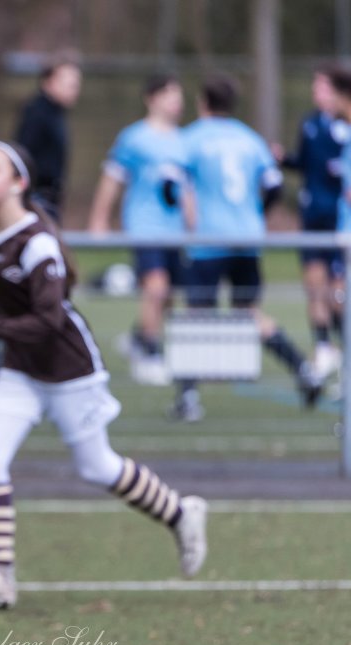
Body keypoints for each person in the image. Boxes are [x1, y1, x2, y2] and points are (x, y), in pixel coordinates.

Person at [0, 141, 207, 609]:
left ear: (18, 183)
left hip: (69, 369)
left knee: (97, 466)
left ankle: (182, 513)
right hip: (22, 368)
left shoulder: (39, 242)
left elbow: (48, 322)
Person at [176, 76, 322, 422]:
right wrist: (256, 216)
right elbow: (274, 185)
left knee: (197, 316)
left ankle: (188, 398)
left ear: (203, 102)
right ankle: (303, 368)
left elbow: (172, 184)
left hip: (208, 241)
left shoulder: (190, 137)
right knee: (248, 313)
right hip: (247, 238)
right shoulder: (249, 138)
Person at [87, 74, 189, 386]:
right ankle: (150, 354)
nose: (176, 101)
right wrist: (99, 219)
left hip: (177, 230)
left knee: (170, 296)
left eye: (179, 95)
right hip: (145, 226)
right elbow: (112, 178)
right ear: (152, 98)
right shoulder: (134, 137)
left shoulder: (184, 140)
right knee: (155, 287)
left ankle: (136, 340)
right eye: (170, 94)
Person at [283, 66, 351, 372]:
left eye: (324, 88)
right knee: (316, 285)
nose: (318, 93)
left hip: (341, 225)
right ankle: (325, 347)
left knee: (339, 294)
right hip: (319, 219)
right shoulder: (311, 123)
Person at [14, 53, 81, 222]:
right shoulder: (37, 113)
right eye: (69, 85)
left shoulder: (56, 113)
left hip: (48, 197)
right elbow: (24, 154)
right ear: (48, 82)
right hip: (37, 198)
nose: (74, 90)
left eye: (76, 85)